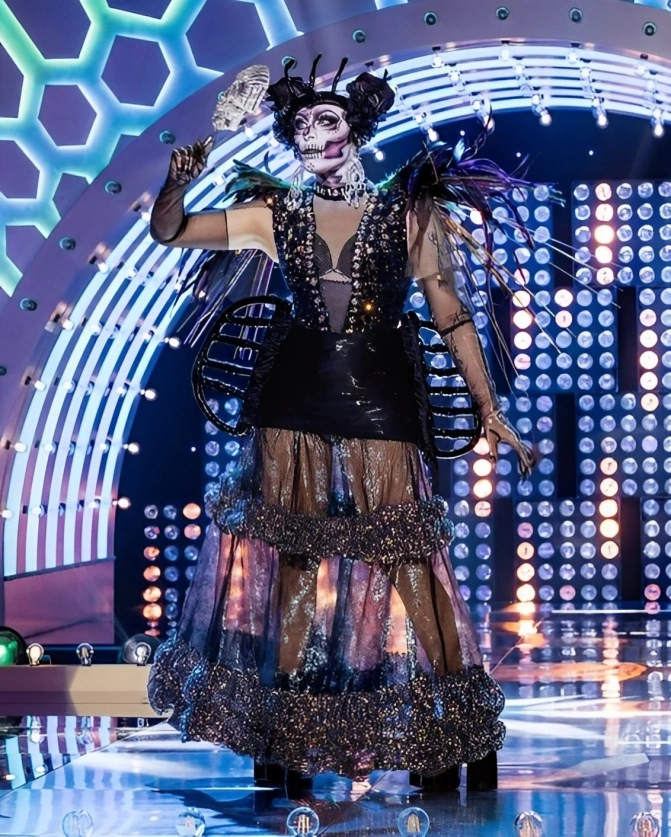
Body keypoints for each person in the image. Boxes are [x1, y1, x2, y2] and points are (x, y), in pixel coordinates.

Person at [147, 56, 537, 793]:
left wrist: (489, 408)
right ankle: (290, 731)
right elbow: (171, 232)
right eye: (298, 125)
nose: (309, 134)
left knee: (407, 557)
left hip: (381, 393)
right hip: (292, 397)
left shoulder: (407, 211)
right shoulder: (274, 214)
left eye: (324, 120)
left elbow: (450, 313)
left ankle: (454, 727)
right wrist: (177, 182)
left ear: (355, 131)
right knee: (293, 557)